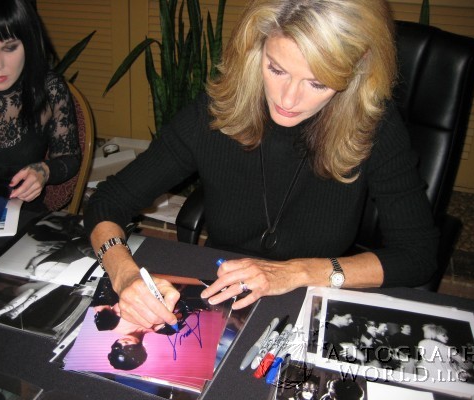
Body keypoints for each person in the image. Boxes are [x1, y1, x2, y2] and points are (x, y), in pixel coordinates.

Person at [84, 0, 439, 331]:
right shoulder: (213, 113)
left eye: (317, 83)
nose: (288, 99)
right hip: (222, 292)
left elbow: (418, 255)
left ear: (356, 71)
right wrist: (125, 275)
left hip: (311, 299)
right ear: (257, 48)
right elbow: (107, 201)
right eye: (277, 69)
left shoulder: (374, 128)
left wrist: (298, 272)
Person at [0, 0, 80, 211]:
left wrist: (44, 171)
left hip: (22, 217)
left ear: (29, 43)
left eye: (10, 47)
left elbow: (69, 158)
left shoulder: (49, 88)